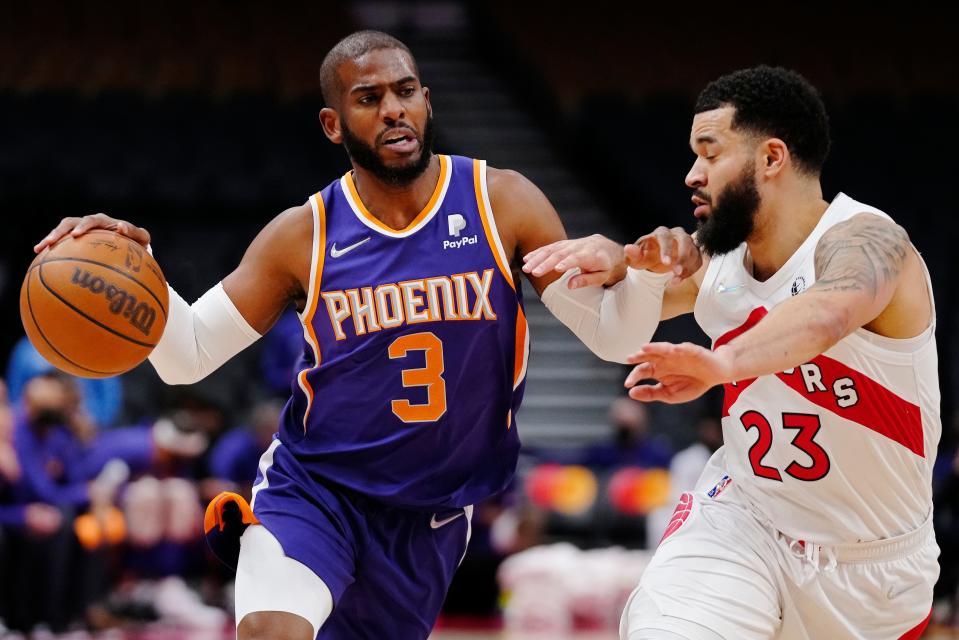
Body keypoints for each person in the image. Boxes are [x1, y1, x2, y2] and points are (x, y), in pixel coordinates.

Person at [34, 30, 699, 639]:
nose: (393, 110)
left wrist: (640, 278)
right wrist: (133, 267)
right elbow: (188, 356)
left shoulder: (502, 201)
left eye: (405, 91)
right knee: (272, 631)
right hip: (315, 490)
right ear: (333, 123)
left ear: (426, 99)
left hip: (430, 515)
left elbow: (612, 340)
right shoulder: (304, 235)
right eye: (368, 97)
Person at [526, 66, 939, 639]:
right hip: (745, 520)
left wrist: (722, 365)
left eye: (709, 153)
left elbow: (826, 314)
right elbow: (613, 334)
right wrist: (619, 264)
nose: (692, 174)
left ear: (771, 158)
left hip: (873, 566)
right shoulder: (712, 260)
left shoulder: (870, 242)